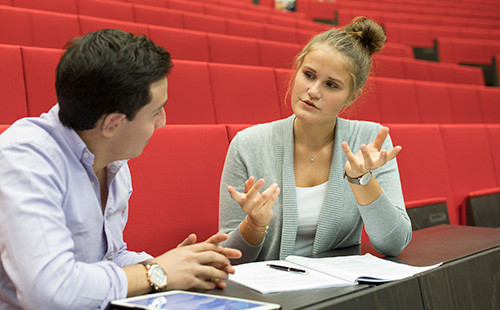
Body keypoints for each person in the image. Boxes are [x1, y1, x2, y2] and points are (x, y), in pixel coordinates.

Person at [0, 29, 241, 309]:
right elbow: (50, 292)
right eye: (155, 112)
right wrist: (156, 273)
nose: (162, 122)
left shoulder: (112, 157)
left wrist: (177, 265)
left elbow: (107, 259)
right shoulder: (24, 160)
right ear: (112, 124)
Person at [219, 17, 412, 264]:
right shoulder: (247, 145)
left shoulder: (368, 143)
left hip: (341, 294)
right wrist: (254, 224)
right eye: (309, 75)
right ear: (297, 68)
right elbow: (229, 260)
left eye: (331, 85)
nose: (314, 91)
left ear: (351, 97)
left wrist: (362, 180)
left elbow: (394, 244)